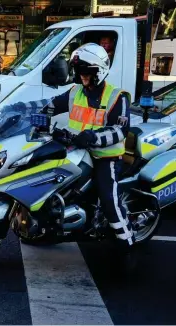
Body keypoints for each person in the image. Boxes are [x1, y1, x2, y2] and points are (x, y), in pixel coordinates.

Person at [46, 43, 135, 250]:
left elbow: (120, 131)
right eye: (79, 71)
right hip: (76, 152)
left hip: (105, 158)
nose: (83, 76)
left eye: (87, 72)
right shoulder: (75, 91)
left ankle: (127, 244)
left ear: (100, 71)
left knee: (109, 200)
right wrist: (32, 114)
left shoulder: (117, 97)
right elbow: (50, 105)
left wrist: (93, 138)